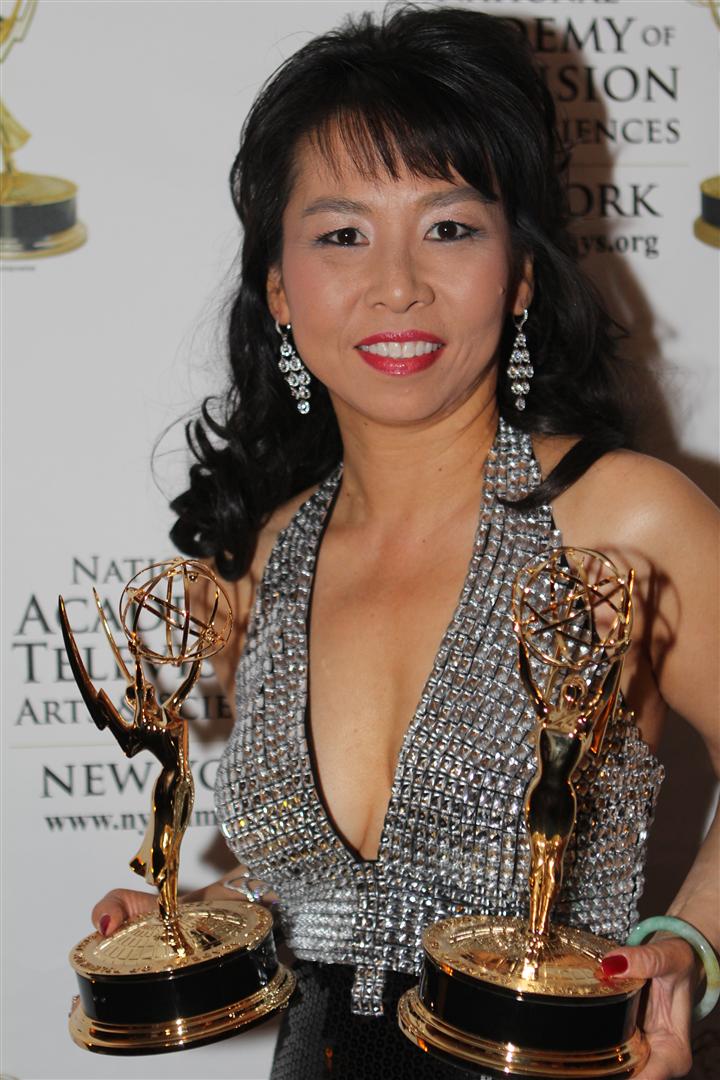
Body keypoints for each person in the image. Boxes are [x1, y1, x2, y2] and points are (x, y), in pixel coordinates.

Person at [90, 6, 719, 1078]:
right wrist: (207, 914)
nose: (397, 285)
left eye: (450, 228)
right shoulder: (275, 553)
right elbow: (357, 892)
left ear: (520, 275)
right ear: (279, 289)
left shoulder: (625, 518)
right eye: (342, 235)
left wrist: (687, 946)